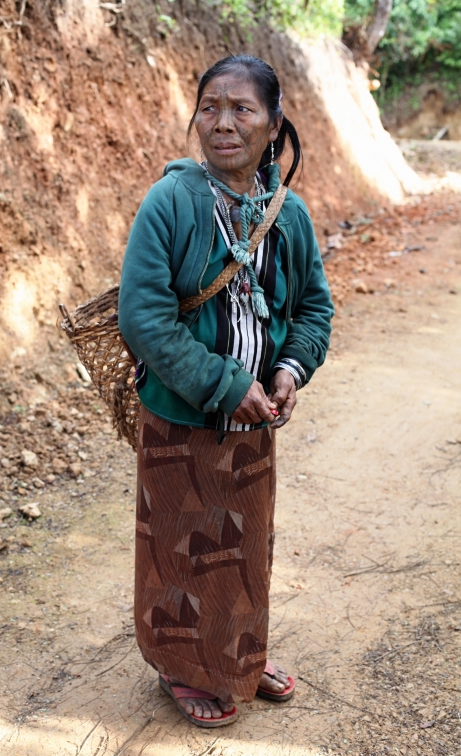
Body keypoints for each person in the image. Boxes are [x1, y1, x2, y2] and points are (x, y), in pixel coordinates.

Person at [118, 54, 334, 727]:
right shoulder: (172, 202)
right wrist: (222, 382)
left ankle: (238, 654)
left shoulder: (287, 215)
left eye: (243, 109)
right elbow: (143, 317)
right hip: (180, 416)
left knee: (243, 547)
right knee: (178, 546)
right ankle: (183, 667)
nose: (223, 123)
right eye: (211, 106)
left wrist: (288, 371)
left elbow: (314, 311)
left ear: (273, 124)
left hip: (253, 424)